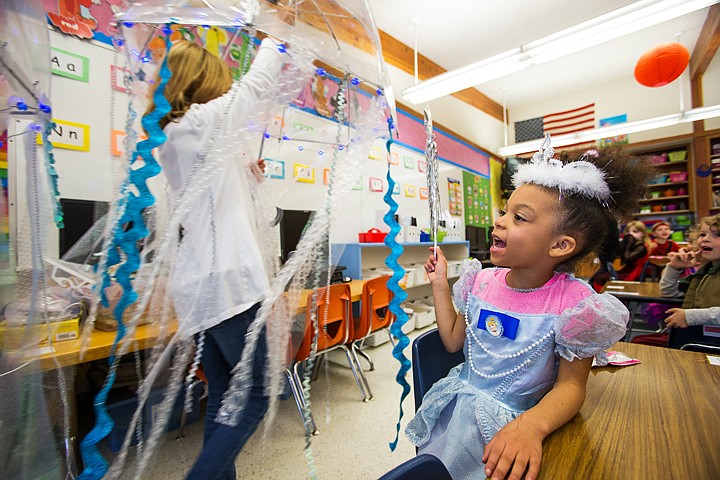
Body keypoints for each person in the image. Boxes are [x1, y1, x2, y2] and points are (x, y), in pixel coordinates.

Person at [405, 140, 655, 480]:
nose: (500, 221)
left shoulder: (576, 306)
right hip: (457, 418)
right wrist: (438, 284)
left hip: (526, 423)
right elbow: (452, 341)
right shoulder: (480, 282)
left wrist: (532, 427)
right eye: (504, 210)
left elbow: (571, 387)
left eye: (518, 217)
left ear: (560, 245)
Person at [147, 28, 313, 479]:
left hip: (198, 286)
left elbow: (211, 194)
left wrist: (245, 172)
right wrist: (279, 32)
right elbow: (256, 83)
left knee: (223, 394)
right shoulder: (201, 122)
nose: (225, 91)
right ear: (202, 83)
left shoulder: (173, 136)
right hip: (230, 283)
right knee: (257, 394)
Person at [661, 214, 720, 328]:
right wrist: (674, 268)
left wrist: (690, 317)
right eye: (702, 234)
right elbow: (669, 293)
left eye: (717, 234)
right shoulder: (705, 271)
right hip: (698, 339)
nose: (705, 239)